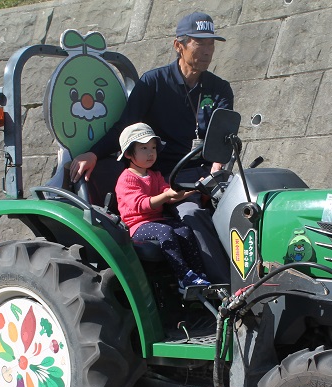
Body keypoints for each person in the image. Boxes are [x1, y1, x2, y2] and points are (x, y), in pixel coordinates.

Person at [69, 12, 233, 283]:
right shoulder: (153, 83)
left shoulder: (220, 89)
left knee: (244, 202)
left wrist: (215, 173)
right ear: (178, 45)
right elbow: (126, 126)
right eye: (198, 43)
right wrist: (94, 153)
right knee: (192, 213)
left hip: (209, 172)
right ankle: (223, 288)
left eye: (211, 44)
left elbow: (223, 138)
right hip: (167, 177)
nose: (207, 51)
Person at [115, 123, 212, 289]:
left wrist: (195, 187)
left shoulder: (155, 175)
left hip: (156, 220)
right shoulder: (127, 179)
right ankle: (183, 276)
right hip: (137, 226)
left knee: (184, 229)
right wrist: (166, 195)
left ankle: (199, 274)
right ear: (129, 153)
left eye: (153, 148)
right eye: (144, 148)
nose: (151, 153)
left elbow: (171, 195)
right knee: (165, 231)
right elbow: (141, 205)